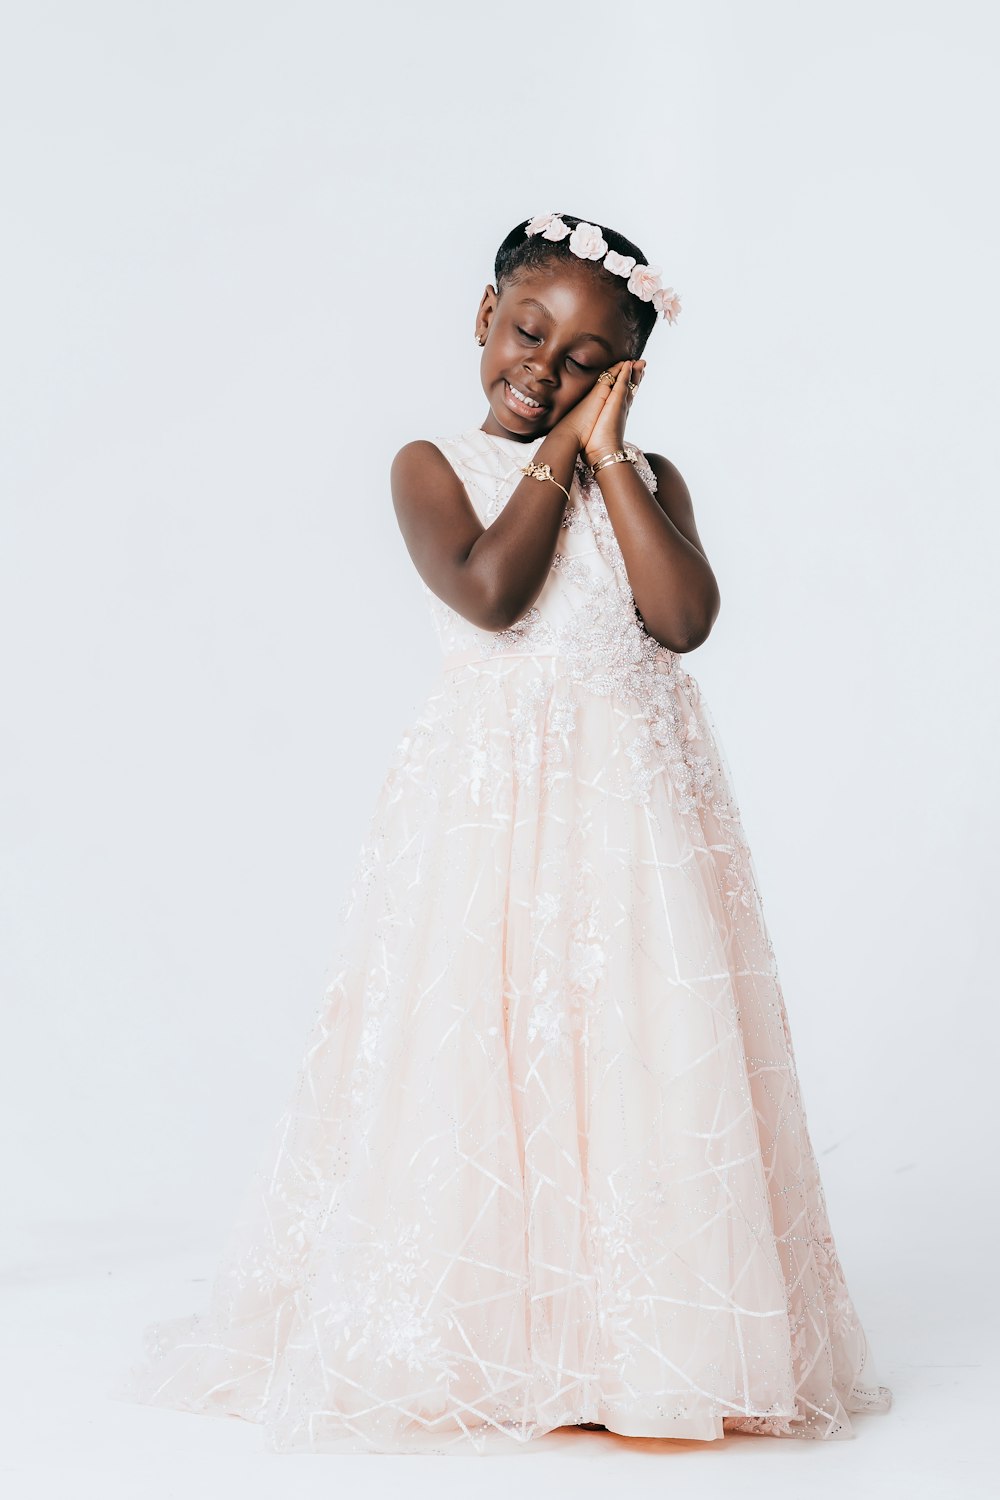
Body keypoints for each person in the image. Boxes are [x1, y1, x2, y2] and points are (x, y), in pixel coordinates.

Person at [111, 211, 893, 1455]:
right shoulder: (434, 467)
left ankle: (636, 1343)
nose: (547, 367)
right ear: (485, 318)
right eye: (531, 332)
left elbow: (682, 620)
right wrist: (556, 461)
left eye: (590, 359)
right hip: (493, 828)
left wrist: (614, 461)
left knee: (637, 1057)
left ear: (628, 376)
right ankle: (506, 1342)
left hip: (637, 828)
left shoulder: (650, 481)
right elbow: (488, 593)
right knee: (491, 1069)